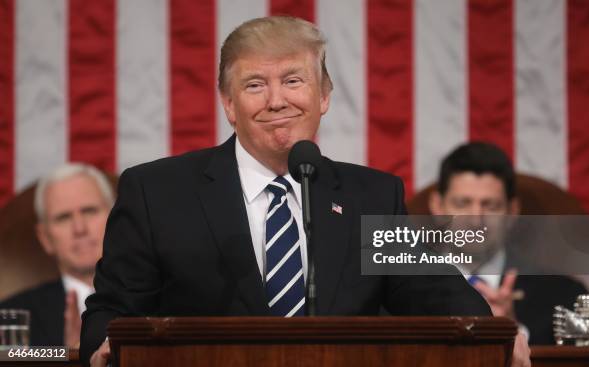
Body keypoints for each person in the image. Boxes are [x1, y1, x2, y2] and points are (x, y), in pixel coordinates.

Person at [81, 17, 529, 367]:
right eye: (255, 85)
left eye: (293, 81)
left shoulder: (371, 196)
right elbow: (111, 313)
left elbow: (441, 295)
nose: (277, 101)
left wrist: (497, 333)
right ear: (228, 104)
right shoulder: (157, 193)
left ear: (324, 96)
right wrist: (102, 349)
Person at [428, 142, 589, 344]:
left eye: (491, 206)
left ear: (512, 211)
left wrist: (516, 333)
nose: (476, 220)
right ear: (437, 206)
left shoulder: (564, 295)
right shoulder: (400, 289)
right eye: (462, 204)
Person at [0, 163, 114, 347]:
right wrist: (65, 357)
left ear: (116, 219)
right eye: (63, 217)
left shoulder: (161, 301)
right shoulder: (10, 319)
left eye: (89, 211)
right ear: (45, 238)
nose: (80, 229)